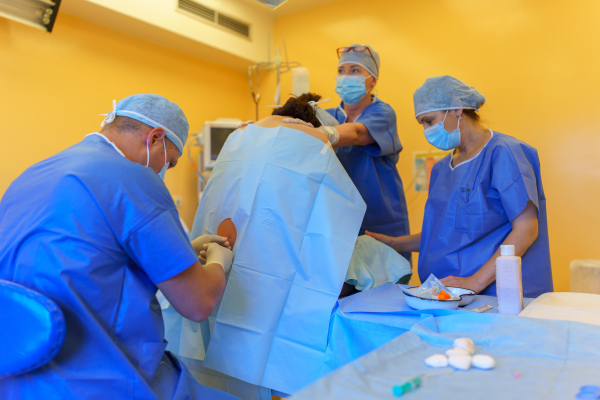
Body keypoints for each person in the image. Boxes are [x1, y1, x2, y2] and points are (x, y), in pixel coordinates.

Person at [0, 94, 240, 399]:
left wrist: (183, 251)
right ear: (155, 138)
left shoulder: (35, 173)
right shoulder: (135, 179)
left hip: (19, 376)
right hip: (99, 378)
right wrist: (219, 261)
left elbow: (82, 256)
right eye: (170, 162)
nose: (164, 171)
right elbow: (198, 303)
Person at [367, 76, 553, 298]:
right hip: (449, 295)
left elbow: (527, 229)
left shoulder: (503, 153)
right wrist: (393, 243)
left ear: (457, 109)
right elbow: (442, 235)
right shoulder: (441, 169)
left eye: (429, 120)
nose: (426, 130)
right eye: (422, 124)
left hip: (497, 296)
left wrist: (475, 281)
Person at [317, 44, 411, 264]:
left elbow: (357, 133)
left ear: (373, 80)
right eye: (341, 71)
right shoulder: (326, 116)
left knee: (385, 284)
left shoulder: (382, 113)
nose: (346, 76)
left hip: (379, 220)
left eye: (355, 70)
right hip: (337, 219)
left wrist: (319, 132)